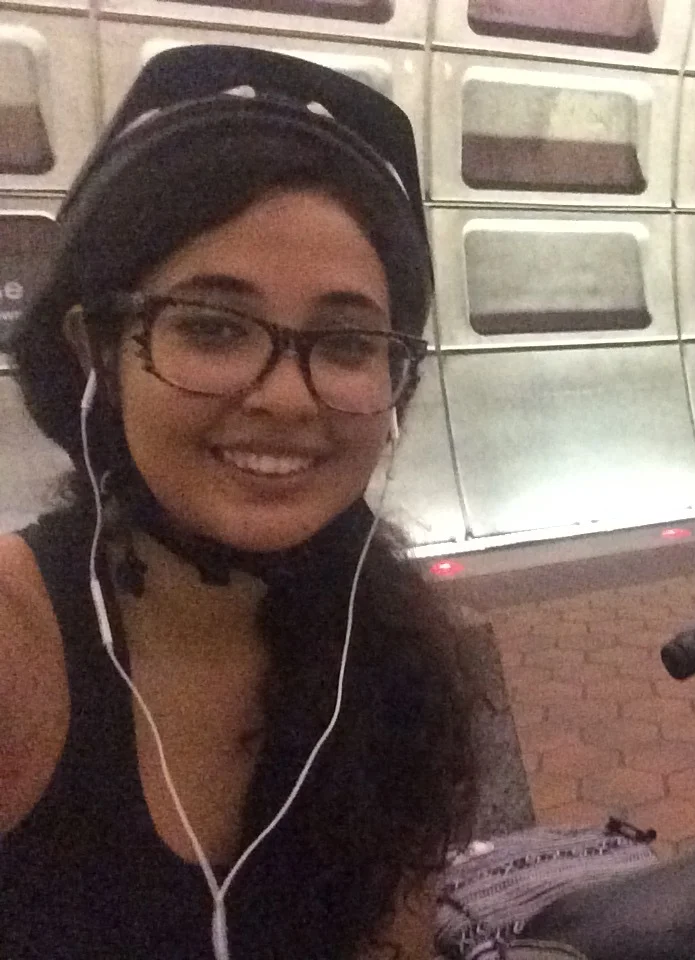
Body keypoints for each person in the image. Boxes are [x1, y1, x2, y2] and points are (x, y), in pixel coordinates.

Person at [0, 45, 476, 959]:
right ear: (97, 352)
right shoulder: (18, 648)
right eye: (214, 328)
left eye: (345, 343)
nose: (287, 399)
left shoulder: (388, 654)